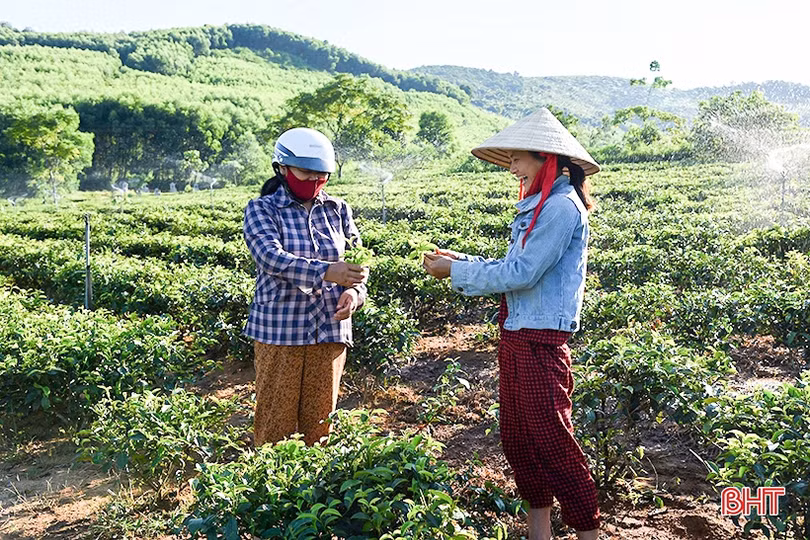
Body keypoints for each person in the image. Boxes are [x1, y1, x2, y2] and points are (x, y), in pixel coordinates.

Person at [422, 109, 600, 540]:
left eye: (518, 159)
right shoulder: (538, 205)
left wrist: (456, 274)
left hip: (540, 338)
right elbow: (515, 266)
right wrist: (461, 262)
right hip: (517, 333)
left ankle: (588, 532)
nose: (513, 167)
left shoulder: (560, 207)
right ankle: (539, 533)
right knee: (520, 440)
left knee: (555, 443)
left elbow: (523, 274)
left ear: (546, 158)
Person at [243, 127, 368, 447]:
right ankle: (271, 490)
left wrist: (354, 293)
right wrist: (328, 272)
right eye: (305, 173)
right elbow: (271, 258)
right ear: (282, 169)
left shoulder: (338, 210)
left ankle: (313, 489)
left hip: (330, 330)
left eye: (321, 175)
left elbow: (359, 265)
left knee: (321, 422)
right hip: (281, 331)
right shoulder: (262, 209)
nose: (313, 181)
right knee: (276, 421)